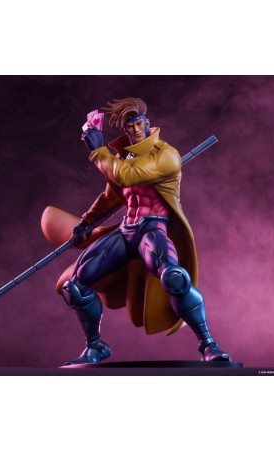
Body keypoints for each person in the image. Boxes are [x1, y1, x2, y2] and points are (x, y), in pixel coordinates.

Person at [43, 98, 230, 365]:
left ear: (147, 123)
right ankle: (95, 346)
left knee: (175, 278)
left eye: (139, 124)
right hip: (126, 231)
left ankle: (208, 344)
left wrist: (99, 152)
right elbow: (111, 196)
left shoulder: (166, 155)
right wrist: (86, 222)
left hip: (152, 230)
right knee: (75, 286)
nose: (135, 130)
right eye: (129, 127)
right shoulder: (124, 158)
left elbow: (127, 176)